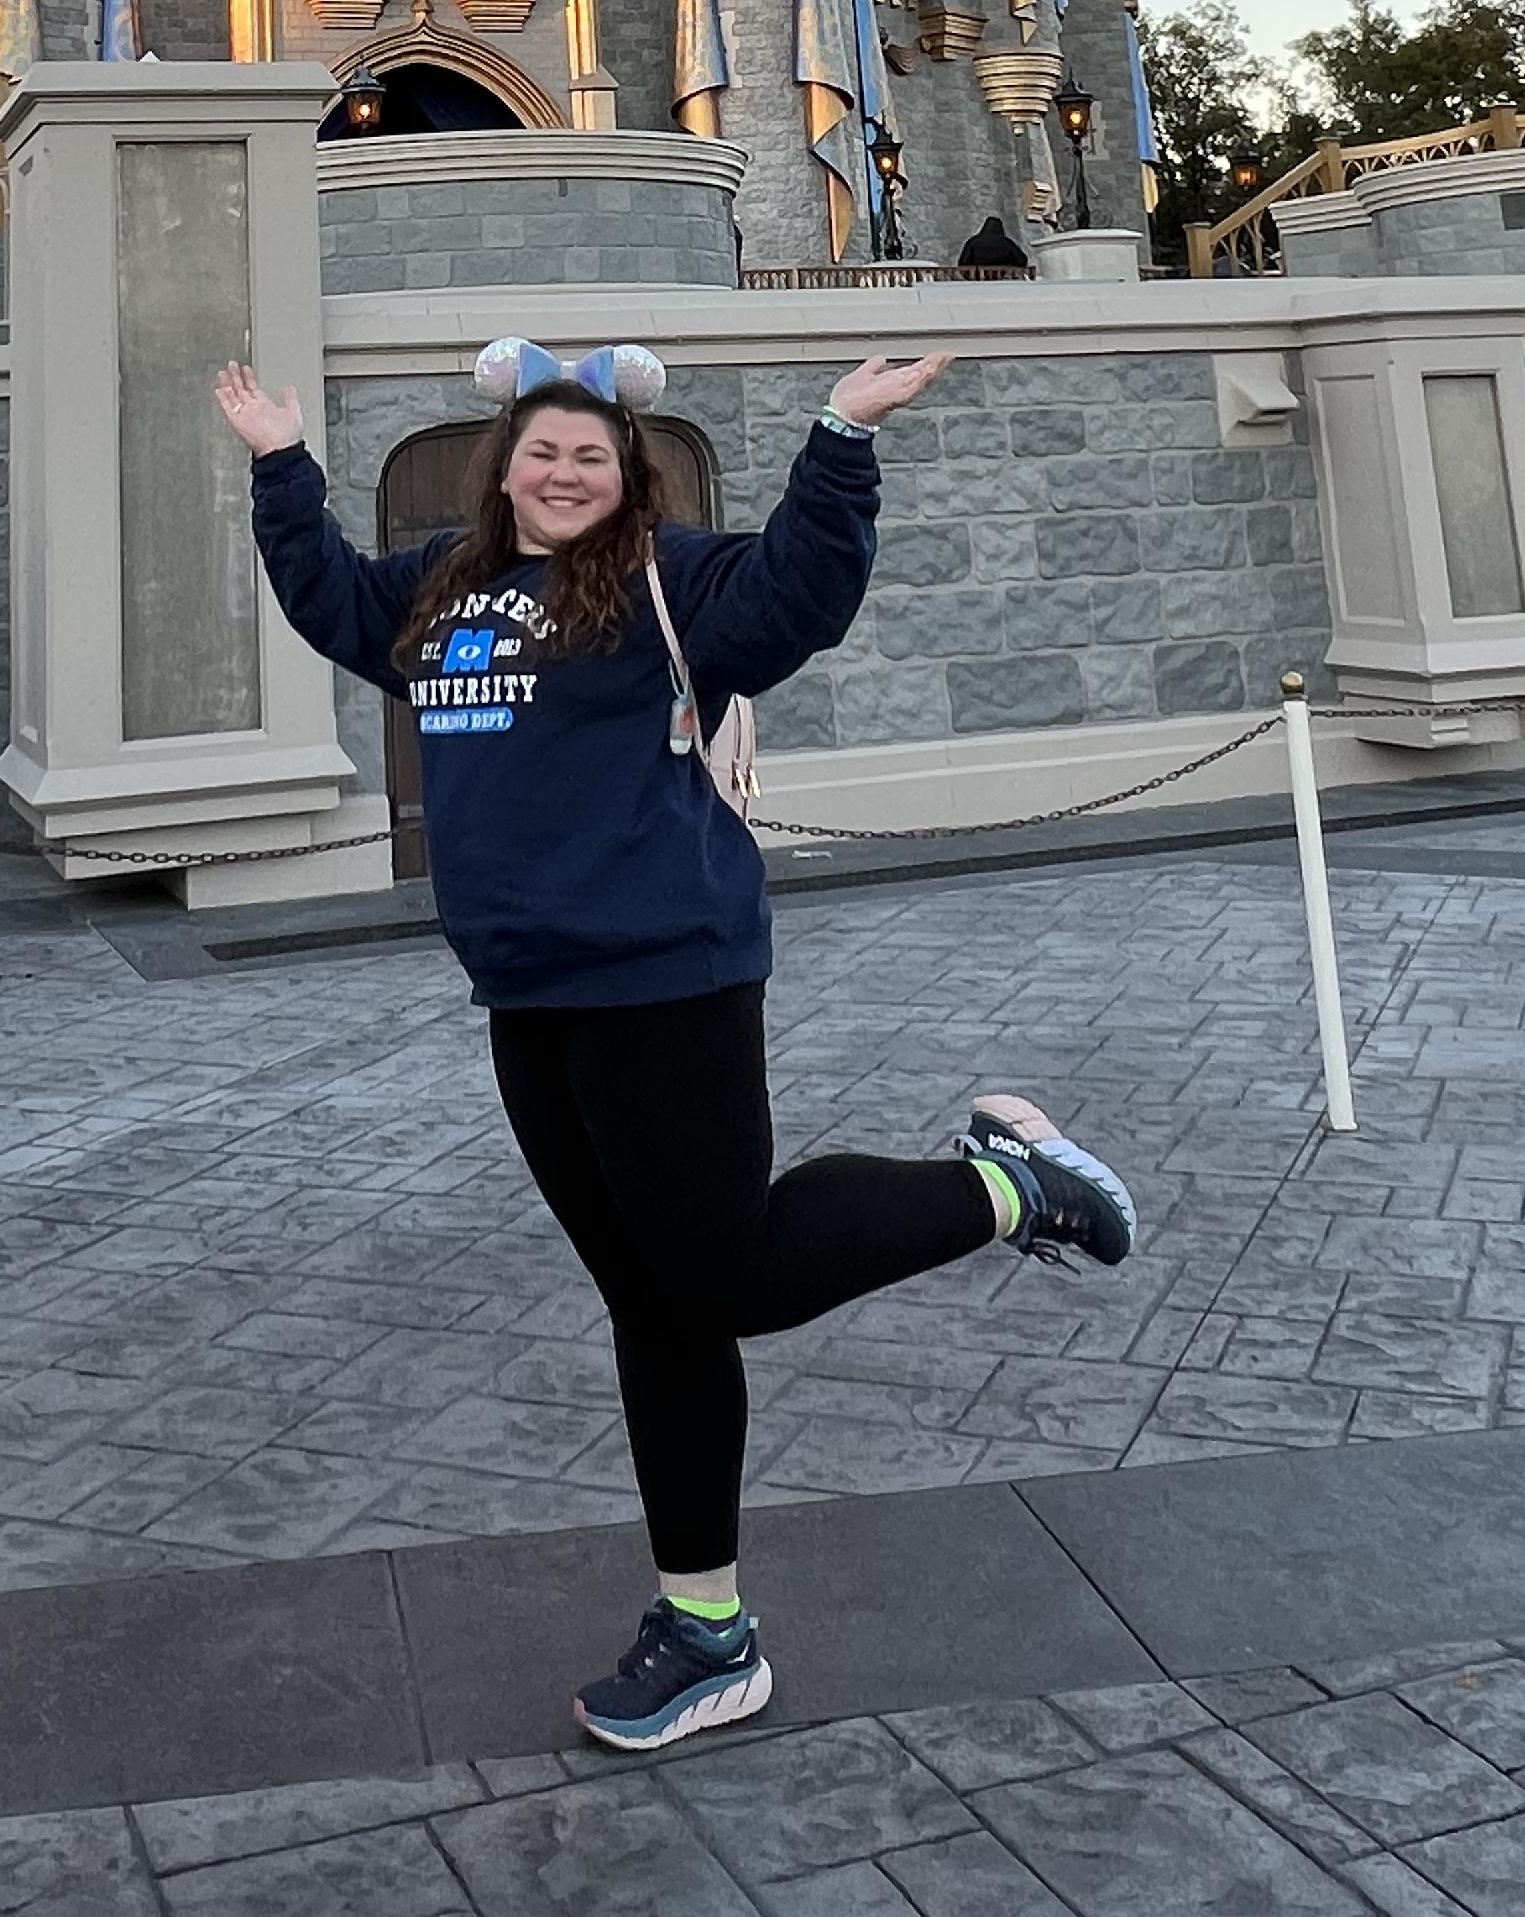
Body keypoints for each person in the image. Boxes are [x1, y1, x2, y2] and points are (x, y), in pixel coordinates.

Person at [216, 341, 1137, 1753]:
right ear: (503, 468)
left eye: (591, 454)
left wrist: (841, 437)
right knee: (656, 1310)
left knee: (724, 1276)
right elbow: (331, 603)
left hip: (666, 979)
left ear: (625, 472)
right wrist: (282, 467)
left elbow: (799, 597)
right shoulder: (440, 588)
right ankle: (708, 1632)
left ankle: (1014, 1187)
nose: (565, 471)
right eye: (543, 450)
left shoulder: (669, 580)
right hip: (527, 994)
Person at [958, 217, 1030, 271]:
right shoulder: (1006, 242)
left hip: (978, 280)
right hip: (1004, 281)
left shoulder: (973, 241)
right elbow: (1022, 260)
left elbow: (963, 263)